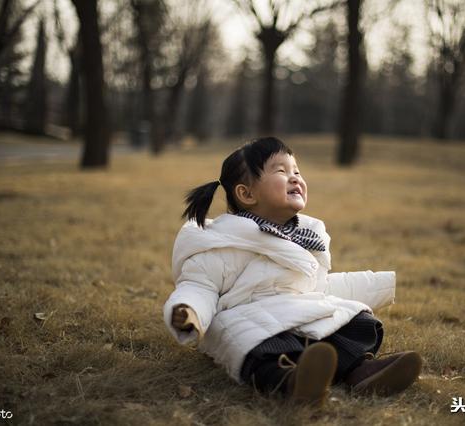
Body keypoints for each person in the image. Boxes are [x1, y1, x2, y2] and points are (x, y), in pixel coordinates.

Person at [163, 137, 422, 405]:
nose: (295, 178)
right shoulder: (225, 241)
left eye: (296, 171)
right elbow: (200, 286)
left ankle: (360, 371)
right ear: (247, 194)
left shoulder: (305, 235)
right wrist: (188, 309)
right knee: (260, 344)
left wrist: (376, 286)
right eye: (281, 171)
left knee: (354, 322)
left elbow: (316, 288)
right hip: (248, 318)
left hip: (297, 313)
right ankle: (291, 381)